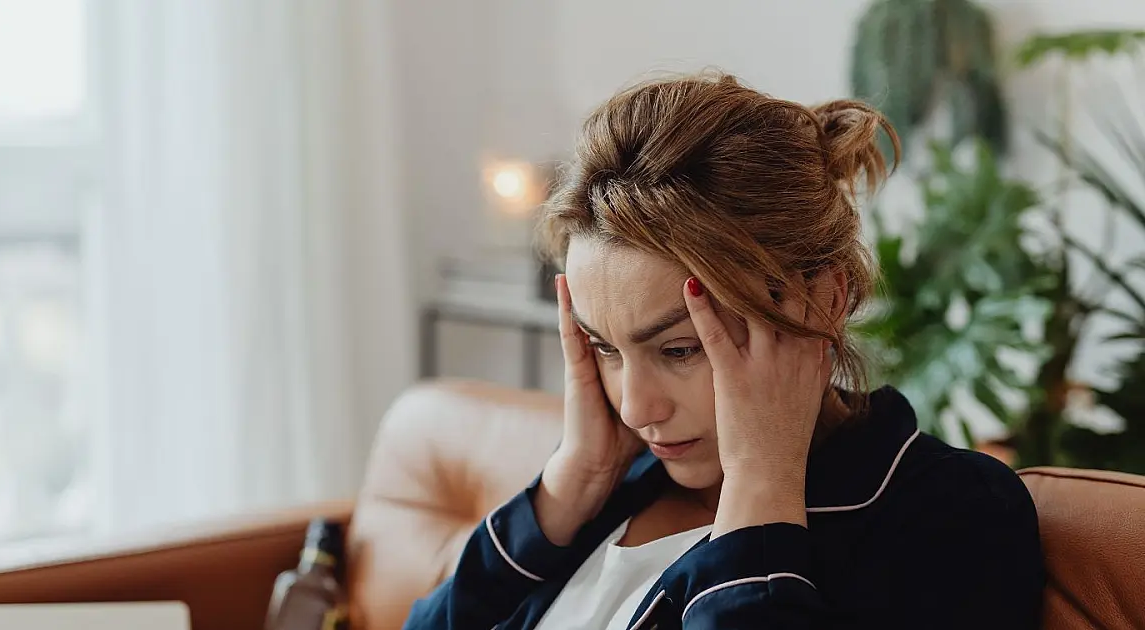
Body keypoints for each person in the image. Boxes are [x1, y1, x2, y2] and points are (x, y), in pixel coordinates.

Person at [403, 72, 1044, 629]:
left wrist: (762, 490)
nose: (634, 407)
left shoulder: (948, 517)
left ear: (819, 304)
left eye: (679, 348)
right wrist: (566, 492)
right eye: (605, 347)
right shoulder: (616, 483)